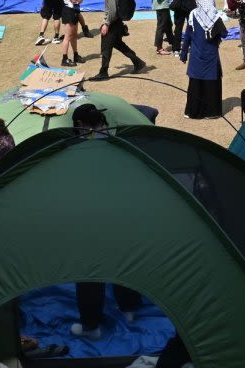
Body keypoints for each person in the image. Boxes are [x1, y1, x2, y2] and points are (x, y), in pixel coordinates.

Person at [68, 105, 143, 340]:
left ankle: (91, 326)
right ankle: (129, 308)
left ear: (79, 125)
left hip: (89, 217)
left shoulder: (74, 148)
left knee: (90, 271)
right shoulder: (118, 140)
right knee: (123, 260)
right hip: (122, 213)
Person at [89, 0, 147, 81]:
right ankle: (138, 62)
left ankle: (103, 72)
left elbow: (113, 9)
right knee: (119, 45)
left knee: (105, 47)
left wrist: (106, 24)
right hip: (117, 22)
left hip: (113, 22)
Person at [179, 0, 227, 119]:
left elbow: (187, 36)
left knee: (195, 84)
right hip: (211, 56)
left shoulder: (193, 15)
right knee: (211, 84)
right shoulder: (216, 17)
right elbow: (224, 34)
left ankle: (192, 112)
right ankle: (211, 113)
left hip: (196, 55)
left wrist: (183, 54)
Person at [59, 0, 85, 68]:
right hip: (68, 11)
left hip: (73, 11)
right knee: (68, 36)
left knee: (74, 35)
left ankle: (76, 55)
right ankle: (64, 58)